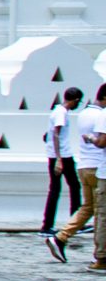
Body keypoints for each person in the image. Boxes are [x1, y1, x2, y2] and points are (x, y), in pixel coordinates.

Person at [58, 84, 106, 269]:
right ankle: (100, 257)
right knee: (99, 213)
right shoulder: (101, 115)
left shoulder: (85, 114)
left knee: (91, 209)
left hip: (85, 165)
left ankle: (62, 237)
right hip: (96, 168)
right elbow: (101, 141)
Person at [44, 88, 87, 240]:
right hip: (62, 155)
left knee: (59, 189)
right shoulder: (61, 113)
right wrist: (59, 159)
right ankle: (72, 222)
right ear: (75, 100)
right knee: (71, 187)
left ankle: (49, 224)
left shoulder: (57, 111)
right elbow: (56, 134)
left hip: (58, 154)